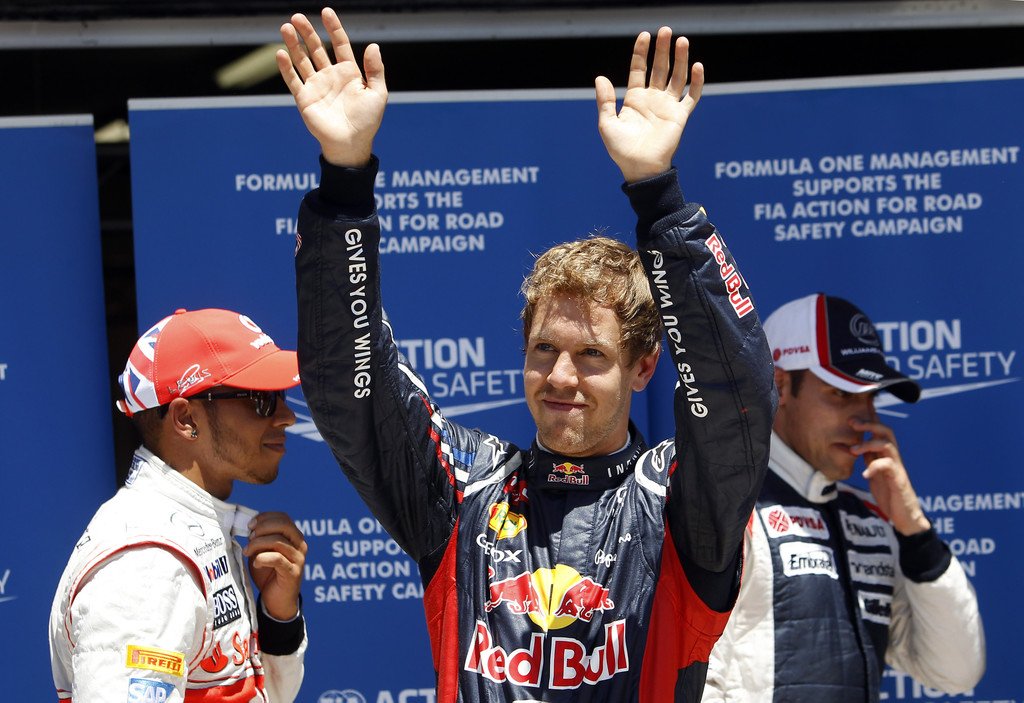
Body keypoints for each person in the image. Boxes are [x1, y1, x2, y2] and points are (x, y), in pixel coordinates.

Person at [280, 8, 776, 701]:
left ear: (643, 366)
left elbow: (734, 401)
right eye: (544, 348)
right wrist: (344, 181)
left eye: (591, 355)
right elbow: (348, 388)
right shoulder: (463, 489)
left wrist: (659, 197)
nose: (560, 376)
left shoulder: (678, 505)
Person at [702, 292, 985, 702]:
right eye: (841, 394)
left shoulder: (872, 519)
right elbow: (689, 676)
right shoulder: (726, 507)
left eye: (870, 397)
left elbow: (956, 671)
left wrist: (915, 533)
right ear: (779, 386)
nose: (863, 417)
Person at [49, 308, 308, 703]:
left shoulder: (193, 530)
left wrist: (278, 618)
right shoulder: (146, 565)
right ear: (186, 419)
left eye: (281, 396)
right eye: (262, 399)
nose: (287, 417)